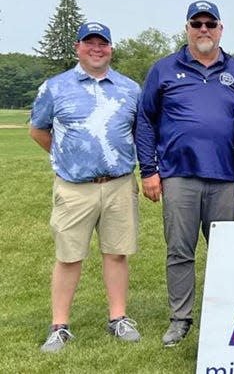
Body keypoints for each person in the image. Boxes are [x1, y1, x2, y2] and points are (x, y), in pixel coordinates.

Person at [136, 0, 234, 346]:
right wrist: (148, 170)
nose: (203, 29)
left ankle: (228, 314)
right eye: (196, 23)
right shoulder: (164, 69)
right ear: (187, 28)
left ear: (220, 29)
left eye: (210, 23)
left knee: (225, 252)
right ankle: (180, 318)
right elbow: (146, 120)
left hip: (226, 177)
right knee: (180, 250)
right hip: (178, 175)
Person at [30, 22, 142, 352]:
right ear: (78, 47)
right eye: (89, 43)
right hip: (74, 187)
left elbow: (138, 133)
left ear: (111, 48)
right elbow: (38, 130)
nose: (97, 48)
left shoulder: (130, 89)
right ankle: (60, 326)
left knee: (117, 253)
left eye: (103, 43)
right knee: (68, 256)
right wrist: (67, 156)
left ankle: (118, 318)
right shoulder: (55, 87)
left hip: (119, 183)